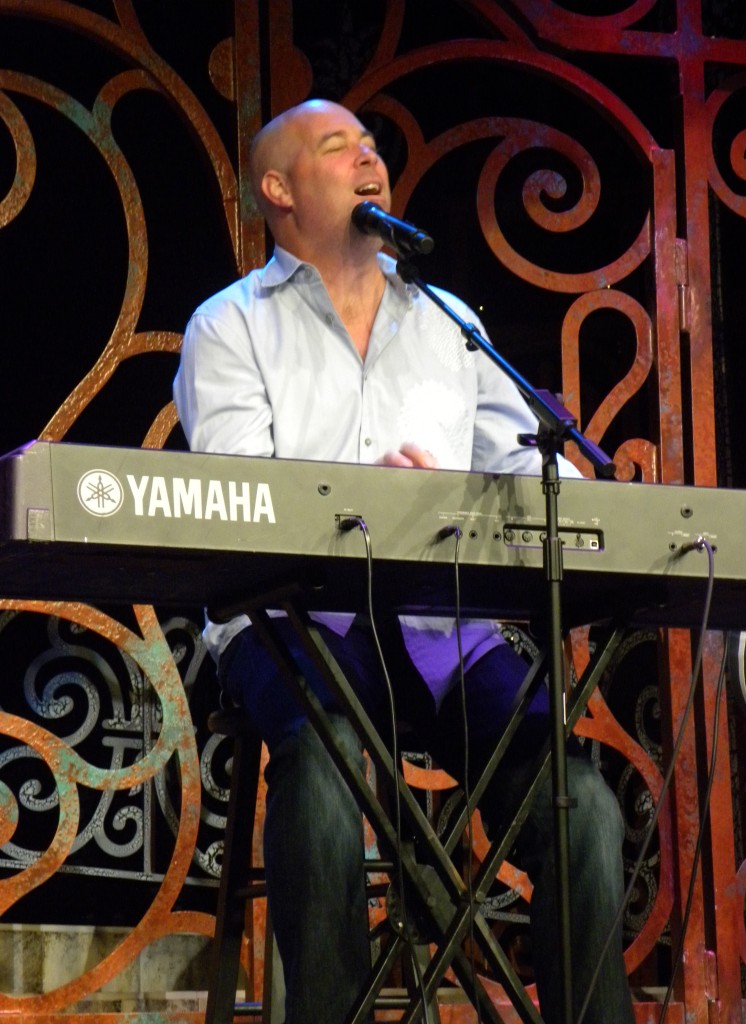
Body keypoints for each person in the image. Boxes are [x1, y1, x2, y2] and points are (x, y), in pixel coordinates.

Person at [173, 98, 634, 1024]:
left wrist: (596, 512)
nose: (369, 159)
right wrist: (370, 495)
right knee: (327, 753)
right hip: (295, 617)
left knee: (579, 801)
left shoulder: (449, 321)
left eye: (372, 145)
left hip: (441, 628)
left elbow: (517, 471)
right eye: (338, 147)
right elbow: (240, 497)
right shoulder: (230, 325)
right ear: (279, 189)